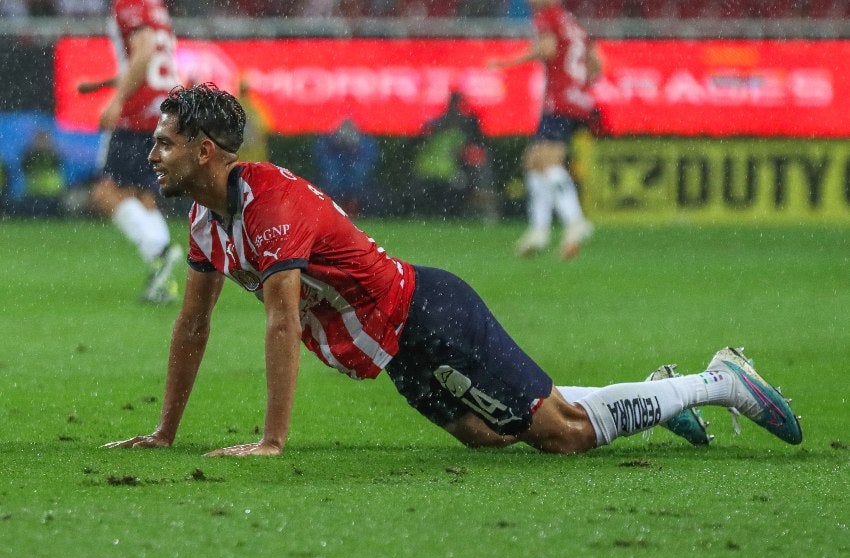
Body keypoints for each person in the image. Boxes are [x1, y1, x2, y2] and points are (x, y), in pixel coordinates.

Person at [104, 84, 802, 457]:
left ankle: (719, 381)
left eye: (164, 142)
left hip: (429, 316)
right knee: (490, 434)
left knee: (561, 435)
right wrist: (165, 431)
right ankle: (657, 391)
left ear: (203, 150)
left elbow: (282, 319)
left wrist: (272, 441)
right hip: (398, 347)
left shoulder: (270, 204)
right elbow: (192, 324)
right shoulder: (205, 218)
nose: (152, 153)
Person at [78, 0, 182, 303]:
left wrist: (117, 100)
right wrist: (101, 85)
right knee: (142, 196)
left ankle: (159, 250)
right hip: (163, 111)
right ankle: (162, 281)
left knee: (104, 193)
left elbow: (145, 53)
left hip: (138, 115)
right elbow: (151, 63)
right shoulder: (156, 7)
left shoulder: (130, 4)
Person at [491, 0, 599, 259]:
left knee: (548, 162)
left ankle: (575, 222)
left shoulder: (548, 18)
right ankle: (539, 231)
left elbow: (548, 49)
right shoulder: (572, 22)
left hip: (560, 101)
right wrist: (579, 87)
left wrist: (508, 62)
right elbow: (595, 64)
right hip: (573, 100)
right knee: (533, 162)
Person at [410, 91, 498, 220]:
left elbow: (468, 152)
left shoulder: (459, 129)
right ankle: (444, 214)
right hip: (435, 171)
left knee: (471, 183)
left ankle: (464, 214)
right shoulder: (438, 128)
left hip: (450, 171)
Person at [312, 118, 379, 218]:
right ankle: (336, 213)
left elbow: (369, 155)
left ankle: (348, 213)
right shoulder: (327, 142)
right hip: (338, 170)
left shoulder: (364, 143)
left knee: (353, 179)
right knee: (334, 179)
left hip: (350, 170)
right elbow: (321, 154)